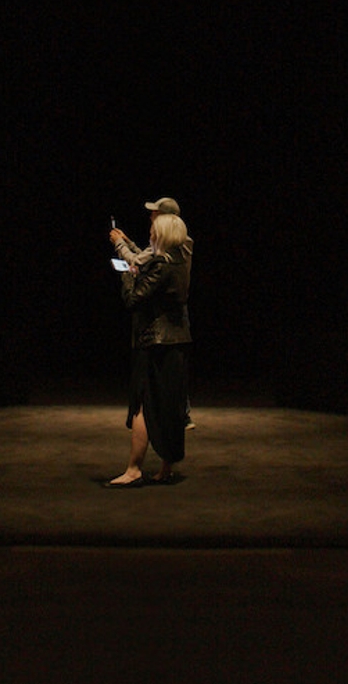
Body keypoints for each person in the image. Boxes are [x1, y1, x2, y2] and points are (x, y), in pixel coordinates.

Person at [105, 212, 192, 487]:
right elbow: (145, 257)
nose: (151, 233)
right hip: (175, 342)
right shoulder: (180, 260)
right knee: (169, 404)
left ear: (162, 234)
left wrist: (128, 276)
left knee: (142, 403)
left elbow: (134, 300)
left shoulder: (161, 265)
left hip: (155, 343)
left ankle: (133, 470)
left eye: (154, 230)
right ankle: (166, 467)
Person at [110, 196, 196, 428]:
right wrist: (129, 242)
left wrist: (120, 246)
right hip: (177, 318)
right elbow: (149, 258)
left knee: (154, 383)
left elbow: (140, 263)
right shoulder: (179, 245)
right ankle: (182, 413)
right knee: (174, 373)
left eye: (155, 214)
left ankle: (170, 416)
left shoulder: (169, 252)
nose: (151, 217)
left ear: (166, 219)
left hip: (162, 322)